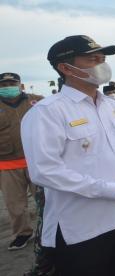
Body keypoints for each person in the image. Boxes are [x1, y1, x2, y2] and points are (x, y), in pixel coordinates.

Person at [21, 35, 115, 276]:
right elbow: (45, 171)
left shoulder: (114, 106)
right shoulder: (47, 112)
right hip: (81, 228)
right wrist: (114, 190)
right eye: (92, 58)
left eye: (102, 58)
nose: (101, 63)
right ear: (65, 68)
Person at [0, 72, 42, 251]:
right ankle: (22, 233)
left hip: (37, 160)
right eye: (3, 84)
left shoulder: (38, 101)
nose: (7, 86)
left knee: (46, 199)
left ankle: (50, 228)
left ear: (20, 84)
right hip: (7, 164)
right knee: (14, 204)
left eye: (12, 83)